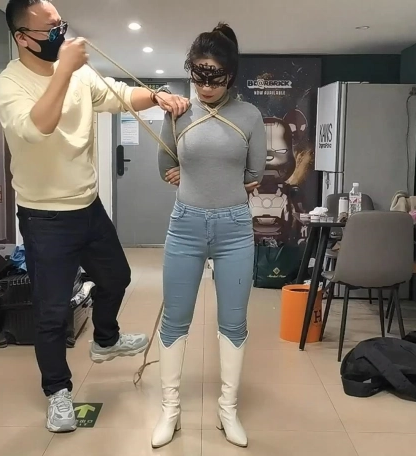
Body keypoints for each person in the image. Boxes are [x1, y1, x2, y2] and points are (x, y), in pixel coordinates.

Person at [0, 0, 190, 434]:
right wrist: (63, 70)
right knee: (52, 311)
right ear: (22, 38)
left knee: (117, 277)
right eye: (50, 29)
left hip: (87, 206)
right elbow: (36, 128)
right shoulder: (10, 84)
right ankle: (57, 392)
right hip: (44, 217)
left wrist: (156, 96)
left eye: (61, 24)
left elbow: (118, 95)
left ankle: (105, 339)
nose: (60, 34)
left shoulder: (81, 75)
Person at [152, 23, 266, 449]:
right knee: (175, 319)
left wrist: (222, 178)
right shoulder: (179, 111)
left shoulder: (250, 116)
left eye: (214, 78)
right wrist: (181, 174)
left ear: (230, 75)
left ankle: (227, 410)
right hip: (185, 224)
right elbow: (165, 162)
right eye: (198, 76)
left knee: (233, 322)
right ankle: (170, 410)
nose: (205, 86)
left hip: (234, 228)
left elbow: (255, 172)